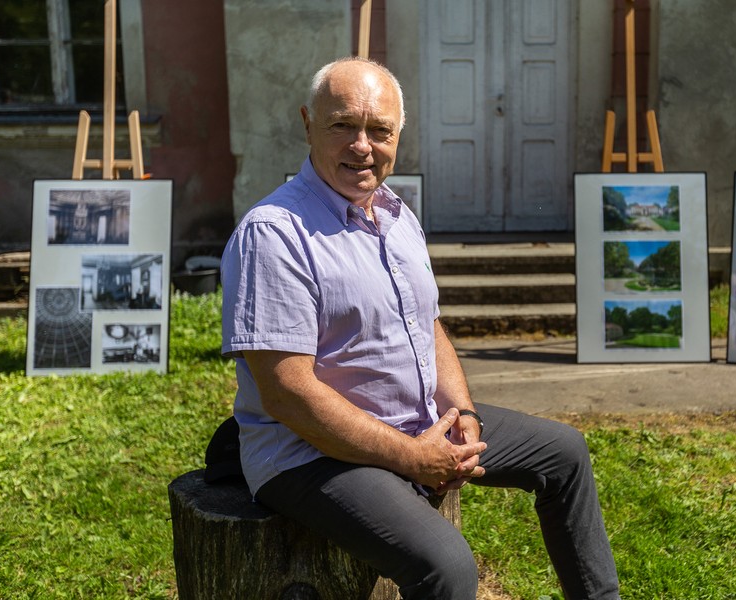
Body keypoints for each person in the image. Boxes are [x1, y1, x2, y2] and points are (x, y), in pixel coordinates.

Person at [221, 56, 620, 599]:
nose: (362, 145)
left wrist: (465, 414)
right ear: (307, 124)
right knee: (447, 566)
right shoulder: (273, 234)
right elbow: (286, 393)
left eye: (380, 130)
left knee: (564, 454)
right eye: (343, 125)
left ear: (399, 135)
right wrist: (412, 458)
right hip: (308, 454)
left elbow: (427, 326)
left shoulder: (396, 215)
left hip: (415, 419)